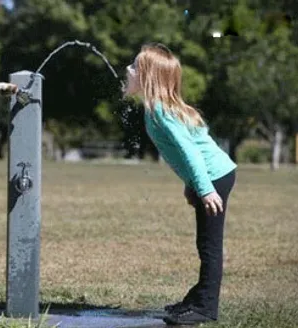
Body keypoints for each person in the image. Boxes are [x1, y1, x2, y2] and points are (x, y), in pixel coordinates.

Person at [123, 43, 237, 326]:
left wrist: (205, 189)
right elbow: (193, 146)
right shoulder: (157, 109)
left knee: (210, 245)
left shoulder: (161, 111)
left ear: (148, 77)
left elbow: (191, 152)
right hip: (210, 178)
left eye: (135, 67)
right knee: (205, 244)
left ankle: (205, 308)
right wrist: (192, 186)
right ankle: (196, 299)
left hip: (214, 179)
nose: (128, 69)